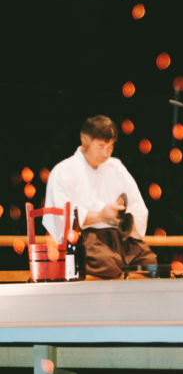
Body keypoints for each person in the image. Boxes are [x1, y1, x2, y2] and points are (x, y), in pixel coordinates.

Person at [44, 115, 156, 278]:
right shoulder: (63, 171)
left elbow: (137, 205)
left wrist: (123, 216)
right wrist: (99, 216)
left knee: (150, 264)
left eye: (110, 146)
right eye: (101, 146)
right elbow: (64, 217)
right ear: (85, 141)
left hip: (119, 236)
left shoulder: (116, 166)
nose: (106, 153)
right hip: (85, 237)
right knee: (109, 266)